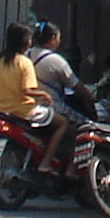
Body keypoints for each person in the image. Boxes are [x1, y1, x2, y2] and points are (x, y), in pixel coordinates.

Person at [29, 20, 81, 161]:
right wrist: (90, 99)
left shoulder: (25, 54)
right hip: (48, 106)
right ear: (53, 39)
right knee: (81, 127)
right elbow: (78, 87)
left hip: (26, 103)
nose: (59, 41)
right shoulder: (56, 61)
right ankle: (68, 168)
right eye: (58, 37)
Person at [0, 23, 46, 140]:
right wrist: (44, 95)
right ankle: (47, 158)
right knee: (61, 123)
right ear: (24, 41)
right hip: (23, 113)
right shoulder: (25, 62)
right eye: (29, 39)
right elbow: (27, 91)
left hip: (0, 111)